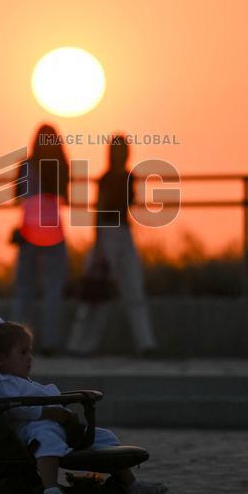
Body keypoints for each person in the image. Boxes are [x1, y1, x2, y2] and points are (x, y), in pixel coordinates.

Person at [0, 315, 168, 494]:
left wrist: (67, 408)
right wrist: (52, 412)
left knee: (104, 437)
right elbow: (16, 408)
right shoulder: (4, 384)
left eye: (29, 351)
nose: (29, 357)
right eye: (23, 353)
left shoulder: (21, 381)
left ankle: (131, 486)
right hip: (29, 430)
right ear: (1, 359)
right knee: (46, 437)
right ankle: (50, 493)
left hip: (55, 425)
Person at [67, 135, 158, 355]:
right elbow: (99, 213)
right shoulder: (106, 178)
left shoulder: (129, 176)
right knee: (95, 295)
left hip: (124, 234)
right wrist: (98, 248)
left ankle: (146, 344)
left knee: (133, 289)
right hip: (107, 235)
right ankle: (78, 346)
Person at [11, 123, 70, 353]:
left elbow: (17, 196)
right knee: (53, 289)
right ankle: (51, 341)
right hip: (53, 230)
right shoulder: (60, 166)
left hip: (29, 230)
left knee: (24, 288)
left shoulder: (26, 166)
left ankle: (19, 342)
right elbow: (65, 197)